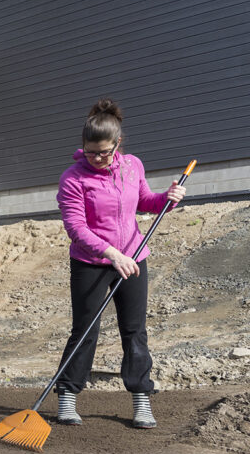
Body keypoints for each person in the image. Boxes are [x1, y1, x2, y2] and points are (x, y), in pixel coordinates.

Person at [54, 98, 186, 429]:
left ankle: (141, 399)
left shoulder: (132, 166)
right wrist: (112, 254)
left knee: (134, 331)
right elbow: (76, 228)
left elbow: (145, 202)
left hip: (134, 257)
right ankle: (68, 396)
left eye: (104, 152)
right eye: (90, 152)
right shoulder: (73, 178)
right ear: (82, 145)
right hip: (91, 262)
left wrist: (167, 200)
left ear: (118, 144)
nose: (97, 159)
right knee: (84, 330)